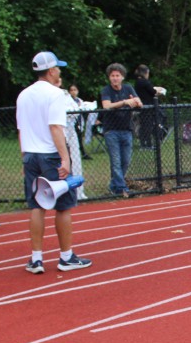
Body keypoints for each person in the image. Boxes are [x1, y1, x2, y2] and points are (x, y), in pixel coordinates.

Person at [17, 51, 92, 274]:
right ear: (51, 71)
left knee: (37, 206)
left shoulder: (23, 95)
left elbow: (21, 130)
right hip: (50, 154)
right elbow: (55, 128)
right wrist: (65, 159)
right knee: (63, 207)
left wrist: (24, 159)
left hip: (30, 154)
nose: (59, 71)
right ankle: (66, 257)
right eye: (57, 68)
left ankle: (36, 259)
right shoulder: (56, 94)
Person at [100, 63, 142, 197]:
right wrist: (124, 102)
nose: (115, 78)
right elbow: (107, 106)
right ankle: (122, 188)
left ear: (122, 77)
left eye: (117, 75)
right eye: (112, 76)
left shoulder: (128, 88)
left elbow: (139, 102)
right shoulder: (106, 90)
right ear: (109, 77)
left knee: (126, 161)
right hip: (111, 130)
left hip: (126, 130)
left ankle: (114, 186)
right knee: (116, 161)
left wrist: (135, 102)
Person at [133, 65, 166, 148]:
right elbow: (153, 92)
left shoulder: (138, 82)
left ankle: (145, 143)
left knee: (145, 125)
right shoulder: (144, 82)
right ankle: (147, 144)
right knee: (147, 125)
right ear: (146, 73)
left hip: (143, 106)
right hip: (147, 107)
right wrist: (161, 91)